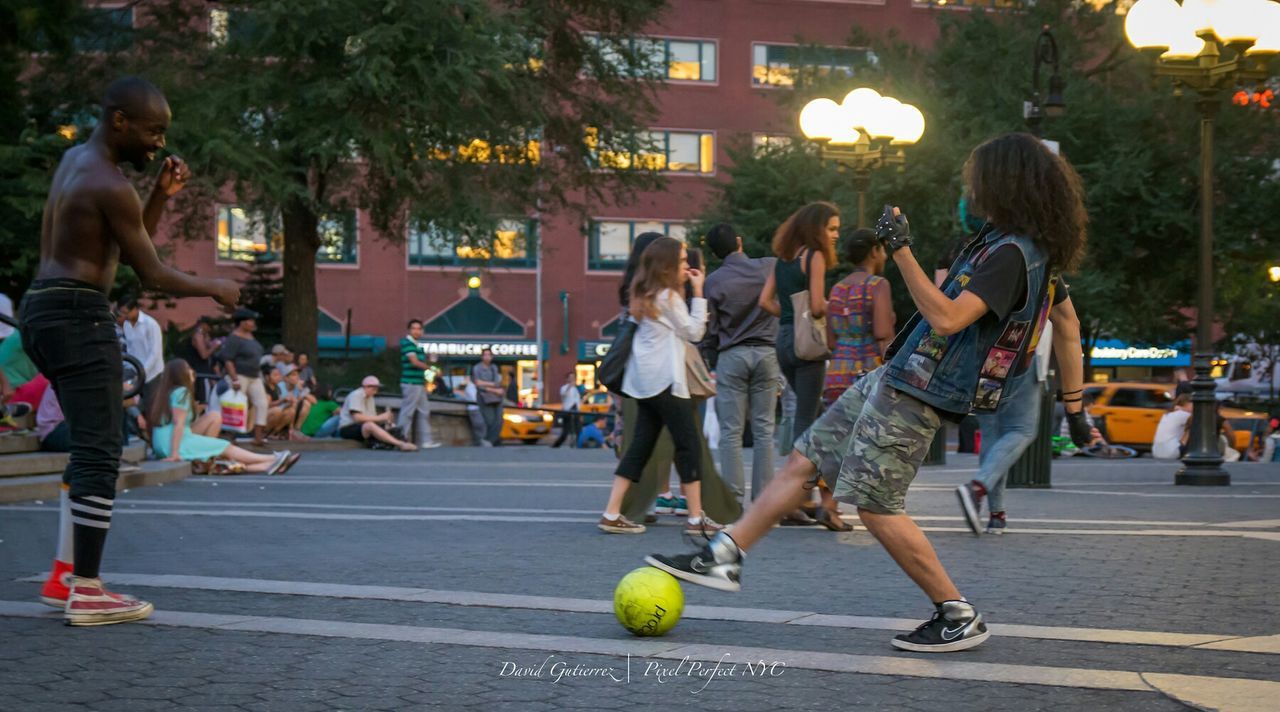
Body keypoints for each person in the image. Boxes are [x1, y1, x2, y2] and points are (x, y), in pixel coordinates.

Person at [647, 133, 1096, 654]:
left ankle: (957, 612)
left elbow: (948, 319)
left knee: (876, 505)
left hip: (922, 390)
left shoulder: (1015, 258)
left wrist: (901, 250)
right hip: (898, 374)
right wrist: (1075, 405)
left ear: (1006, 185)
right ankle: (724, 555)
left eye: (977, 180)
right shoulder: (1012, 247)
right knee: (802, 460)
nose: (970, 190)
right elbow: (1067, 324)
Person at [23, 76, 240, 625]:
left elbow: (123, 238)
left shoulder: (78, 162)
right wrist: (214, 285)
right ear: (119, 119)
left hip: (43, 308)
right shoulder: (109, 180)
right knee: (101, 450)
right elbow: (151, 271)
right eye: (153, 131)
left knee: (88, 448)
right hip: (78, 314)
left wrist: (160, 198)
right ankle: (88, 590)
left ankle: (63, 575)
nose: (159, 144)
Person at [599, 236, 716, 536]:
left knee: (640, 446)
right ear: (666, 266)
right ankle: (694, 519)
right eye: (680, 261)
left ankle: (612, 512)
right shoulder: (668, 297)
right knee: (688, 445)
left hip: (644, 384)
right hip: (666, 381)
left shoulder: (643, 292)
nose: (686, 265)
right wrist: (699, 291)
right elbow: (694, 332)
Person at [758, 202, 846, 529]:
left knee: (810, 417)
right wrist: (834, 304)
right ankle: (793, 500)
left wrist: (790, 319)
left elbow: (764, 302)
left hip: (783, 342)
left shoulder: (783, 259)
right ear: (817, 228)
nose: (836, 235)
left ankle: (805, 498)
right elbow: (820, 307)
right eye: (832, 228)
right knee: (809, 425)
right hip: (807, 345)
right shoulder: (815, 256)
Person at [702, 223, 780, 505]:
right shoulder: (770, 266)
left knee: (731, 433)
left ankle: (733, 499)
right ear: (739, 241)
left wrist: (710, 358)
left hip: (731, 355)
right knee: (764, 428)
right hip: (767, 353)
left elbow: (709, 330)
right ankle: (764, 500)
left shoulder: (713, 281)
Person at [150, 359, 295, 474]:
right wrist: (175, 454)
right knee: (224, 446)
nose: (191, 371)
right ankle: (272, 458)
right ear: (180, 374)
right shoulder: (182, 392)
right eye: (187, 369)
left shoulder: (166, 392)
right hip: (174, 444)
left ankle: (268, 465)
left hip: (163, 443)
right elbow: (179, 423)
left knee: (215, 421)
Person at [824, 228, 894, 406]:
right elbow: (883, 334)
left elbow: (831, 342)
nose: (885, 256)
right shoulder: (878, 285)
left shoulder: (837, 289)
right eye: (883, 250)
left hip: (836, 375)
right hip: (865, 374)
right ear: (874, 251)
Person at [218, 308, 269, 446]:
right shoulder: (234, 338)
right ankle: (230, 435)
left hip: (254, 376)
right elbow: (228, 359)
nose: (253, 323)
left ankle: (258, 436)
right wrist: (234, 378)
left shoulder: (251, 337)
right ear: (242, 323)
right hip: (239, 374)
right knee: (236, 405)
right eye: (250, 320)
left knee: (262, 403)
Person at [338, 376, 417, 451]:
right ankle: (400, 444)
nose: (375, 391)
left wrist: (385, 420)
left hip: (361, 427)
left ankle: (400, 441)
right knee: (369, 425)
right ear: (366, 387)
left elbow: (372, 417)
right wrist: (380, 417)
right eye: (373, 389)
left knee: (389, 426)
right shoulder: (356, 395)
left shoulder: (370, 398)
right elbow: (357, 418)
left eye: (376, 389)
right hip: (348, 427)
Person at [398, 319, 440, 448]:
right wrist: (431, 369)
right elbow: (414, 362)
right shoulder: (407, 343)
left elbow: (422, 362)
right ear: (409, 330)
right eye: (413, 328)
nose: (416, 331)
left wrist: (431, 362)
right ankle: (401, 439)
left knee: (424, 411)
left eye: (419, 328)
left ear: (422, 331)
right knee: (407, 412)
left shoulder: (417, 345)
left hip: (418, 383)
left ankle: (426, 441)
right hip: (410, 383)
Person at [118, 295, 165, 410]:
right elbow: (130, 349)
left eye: (126, 312)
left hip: (152, 373)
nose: (124, 316)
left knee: (151, 407)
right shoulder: (127, 325)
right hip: (134, 370)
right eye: (122, 313)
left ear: (135, 309)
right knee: (124, 397)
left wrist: (141, 372)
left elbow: (155, 354)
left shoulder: (151, 325)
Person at [174, 315, 220, 404]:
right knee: (202, 401)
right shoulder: (198, 336)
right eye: (210, 327)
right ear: (204, 325)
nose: (211, 329)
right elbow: (203, 355)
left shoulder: (202, 335)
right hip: (199, 372)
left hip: (200, 372)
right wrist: (214, 346)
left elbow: (207, 347)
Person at [470, 348, 505, 446]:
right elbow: (478, 384)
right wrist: (493, 387)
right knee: (489, 420)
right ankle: (488, 440)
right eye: (485, 355)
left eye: (489, 355)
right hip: (484, 397)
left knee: (499, 420)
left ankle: (491, 440)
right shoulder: (477, 368)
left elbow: (497, 382)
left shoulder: (494, 367)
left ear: (492, 356)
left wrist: (487, 384)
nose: (487, 357)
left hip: (497, 397)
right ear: (482, 356)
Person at [1152, 394, 1193, 460]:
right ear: (1186, 403)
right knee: (1190, 429)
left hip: (1156, 452)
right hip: (1171, 453)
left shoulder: (1167, 414)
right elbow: (1199, 419)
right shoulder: (1182, 414)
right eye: (1193, 404)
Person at [552, 371, 582, 448]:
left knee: (578, 428)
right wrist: (569, 387)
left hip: (576, 410)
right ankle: (556, 444)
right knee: (566, 430)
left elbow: (578, 400)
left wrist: (579, 409)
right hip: (567, 410)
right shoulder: (564, 388)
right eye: (570, 377)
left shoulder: (576, 389)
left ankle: (579, 444)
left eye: (573, 377)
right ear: (567, 379)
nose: (572, 379)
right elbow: (563, 395)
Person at [461, 379, 488, 446]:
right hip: (474, 409)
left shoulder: (471, 387)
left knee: (479, 425)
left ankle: (480, 441)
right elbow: (474, 398)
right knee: (479, 425)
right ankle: (480, 441)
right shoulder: (470, 387)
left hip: (474, 408)